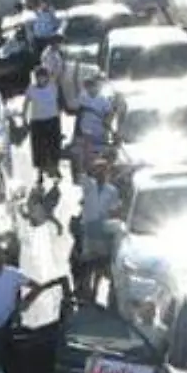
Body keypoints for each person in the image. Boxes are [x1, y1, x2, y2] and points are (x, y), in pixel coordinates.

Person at [0, 244, 38, 368]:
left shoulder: (13, 274)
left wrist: (25, 303)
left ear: (4, 256)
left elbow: (37, 286)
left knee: (9, 362)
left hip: (8, 326)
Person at [73, 160, 121, 302]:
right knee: (87, 261)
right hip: (88, 229)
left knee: (100, 262)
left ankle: (95, 289)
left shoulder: (112, 191)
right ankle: (85, 290)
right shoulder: (88, 185)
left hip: (103, 230)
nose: (100, 174)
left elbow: (114, 210)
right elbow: (81, 174)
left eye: (103, 171)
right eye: (97, 171)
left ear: (107, 173)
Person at [25, 66, 64, 182]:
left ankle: (56, 168)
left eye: (44, 77)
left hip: (52, 119)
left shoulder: (53, 87)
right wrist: (24, 118)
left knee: (54, 146)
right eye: (39, 77)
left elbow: (58, 102)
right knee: (38, 148)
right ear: (36, 78)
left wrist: (59, 117)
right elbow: (26, 104)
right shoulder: (31, 89)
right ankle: (40, 173)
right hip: (37, 121)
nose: (42, 79)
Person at [72, 76, 114, 177]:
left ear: (96, 87)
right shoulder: (82, 98)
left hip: (99, 133)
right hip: (86, 132)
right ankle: (86, 173)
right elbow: (76, 110)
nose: (91, 90)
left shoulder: (103, 100)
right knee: (86, 155)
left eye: (92, 87)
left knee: (99, 155)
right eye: (88, 88)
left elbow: (110, 113)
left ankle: (100, 173)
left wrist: (107, 123)